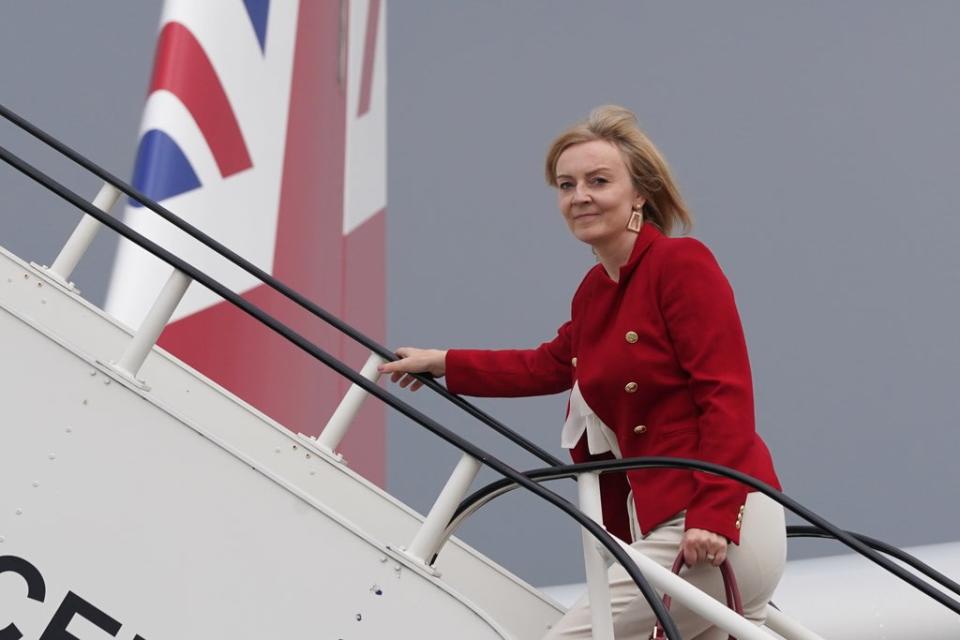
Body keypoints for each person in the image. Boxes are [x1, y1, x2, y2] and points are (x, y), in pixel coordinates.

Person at [379, 105, 785, 639]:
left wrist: (712, 511)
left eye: (598, 181)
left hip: (715, 518)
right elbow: (547, 365)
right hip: (667, 522)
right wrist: (445, 363)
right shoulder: (595, 294)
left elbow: (726, 394)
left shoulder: (680, 265)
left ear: (639, 192)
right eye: (566, 185)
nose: (579, 197)